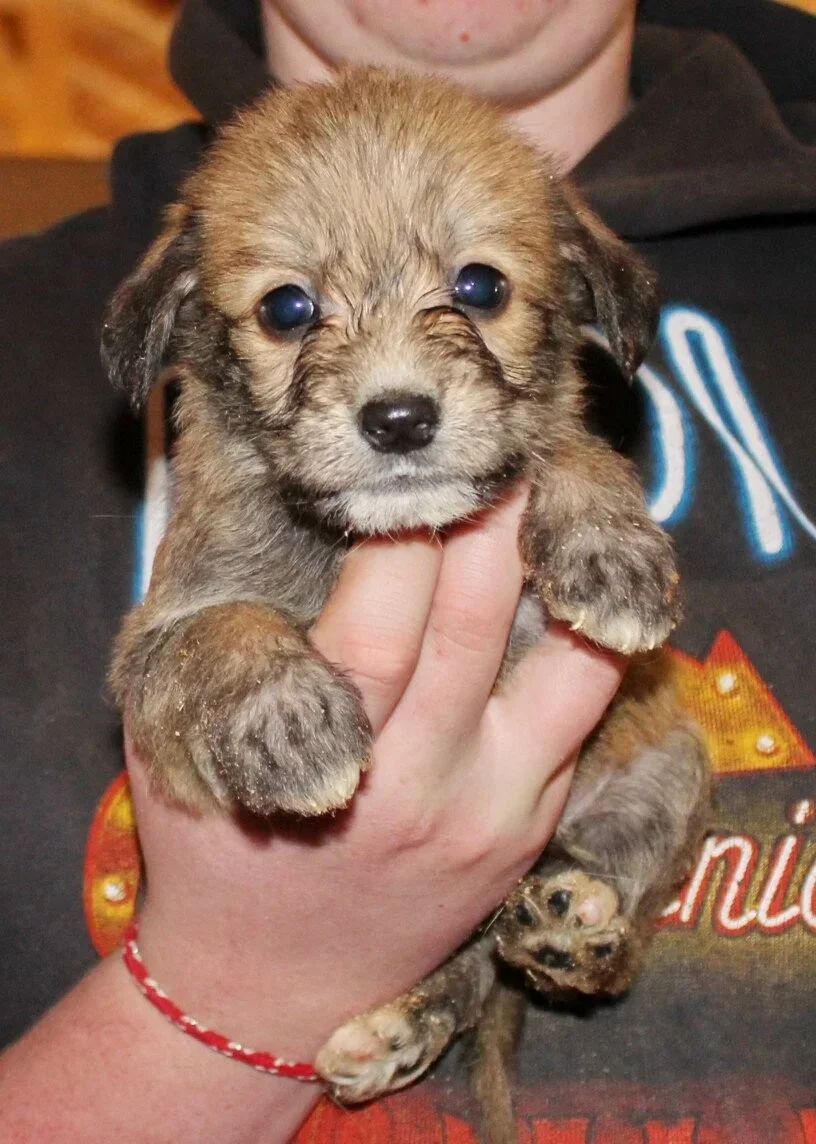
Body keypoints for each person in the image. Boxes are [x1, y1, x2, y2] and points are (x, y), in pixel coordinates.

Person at [0, 1, 814, 1140]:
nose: (396, 389)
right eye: (289, 310)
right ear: (184, 325)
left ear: (580, 289)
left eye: (479, 290)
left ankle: (527, 939)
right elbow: (172, 645)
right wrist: (241, 984)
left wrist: (583, 498)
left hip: (593, 822)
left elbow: (562, 452)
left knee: (677, 749)